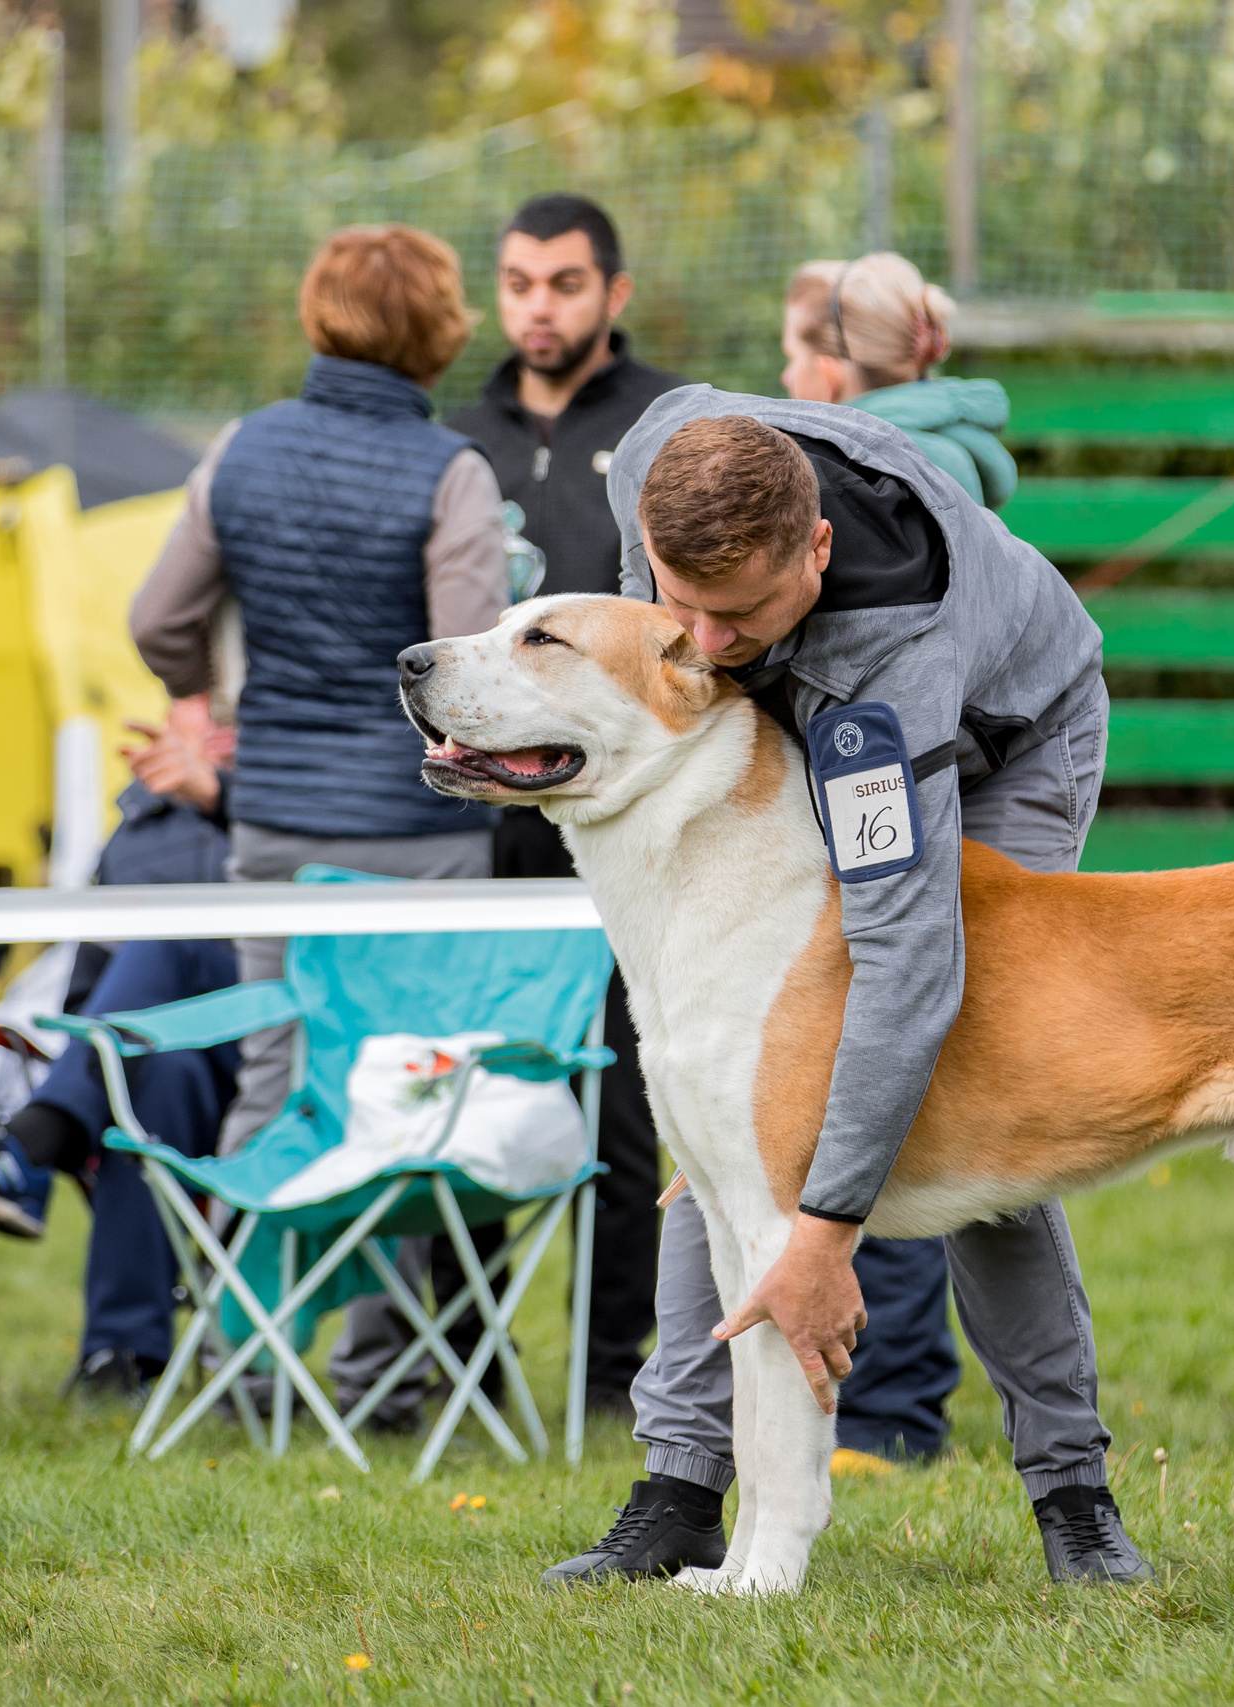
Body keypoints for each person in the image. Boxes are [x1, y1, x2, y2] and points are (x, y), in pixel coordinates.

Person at [541, 398, 1152, 1588]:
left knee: (981, 1114)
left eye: (742, 614)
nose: (706, 646)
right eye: (683, 602)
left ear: (814, 553)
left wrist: (824, 1231)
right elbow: (672, 650)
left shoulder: (893, 665)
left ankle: (1072, 1495)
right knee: (717, 1117)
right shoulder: (659, 459)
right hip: (810, 693)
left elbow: (907, 961)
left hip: (999, 741)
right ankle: (678, 1488)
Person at [129, 223, 510, 1429]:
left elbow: (157, 621)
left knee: (273, 1077)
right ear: (439, 332)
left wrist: (217, 694)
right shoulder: (451, 475)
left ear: (319, 314)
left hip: (276, 818)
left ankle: (247, 1370)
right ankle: (376, 1379)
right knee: (401, 1097)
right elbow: (472, 675)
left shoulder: (239, 450)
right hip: (418, 825)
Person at [755, 249, 1030, 1470]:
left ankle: (895, 1403)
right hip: (899, 790)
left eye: (785, 356)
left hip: (914, 802)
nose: (775, 380)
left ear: (826, 365)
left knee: (902, 1087)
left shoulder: (892, 476)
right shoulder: (933, 448)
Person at [444, 193, 685, 1419]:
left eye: (566, 284)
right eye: (520, 282)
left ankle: (611, 1379)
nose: (541, 306)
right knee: (463, 1077)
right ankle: (464, 1368)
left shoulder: (664, 427)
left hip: (619, 824)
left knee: (628, 1105)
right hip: (474, 823)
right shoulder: (455, 437)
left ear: (614, 294)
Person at [0, 704, 241, 1402]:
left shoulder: (287, 808)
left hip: (275, 1053)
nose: (208, 725)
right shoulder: (133, 830)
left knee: (172, 934)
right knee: (154, 1077)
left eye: (227, 714)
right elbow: (91, 986)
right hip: (178, 1066)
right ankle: (121, 1358)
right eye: (195, 709)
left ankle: (27, 1147)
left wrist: (222, 799)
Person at [779, 252, 1015, 509]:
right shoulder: (949, 453)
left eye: (792, 358)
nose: (786, 376)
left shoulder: (846, 481)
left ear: (829, 374)